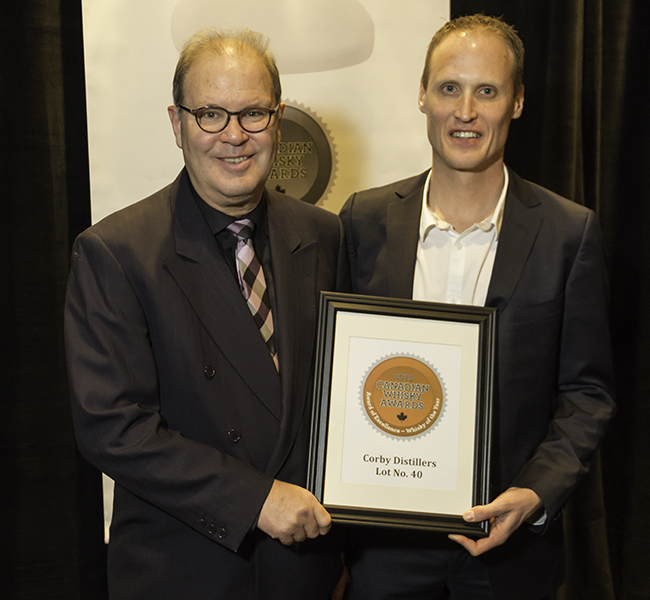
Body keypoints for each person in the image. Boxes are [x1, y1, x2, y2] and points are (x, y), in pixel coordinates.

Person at [65, 28, 349, 599]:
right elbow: (114, 429)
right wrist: (256, 500)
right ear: (177, 123)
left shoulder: (323, 234)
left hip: (307, 571)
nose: (234, 136)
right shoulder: (117, 252)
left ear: (279, 118)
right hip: (186, 573)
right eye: (211, 114)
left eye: (253, 114)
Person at [339, 14, 615, 600]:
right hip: (386, 553)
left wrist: (537, 493)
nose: (465, 111)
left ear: (515, 102)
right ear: (422, 95)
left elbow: (587, 392)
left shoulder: (569, 234)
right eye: (449, 88)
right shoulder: (363, 221)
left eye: (486, 90)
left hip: (513, 557)